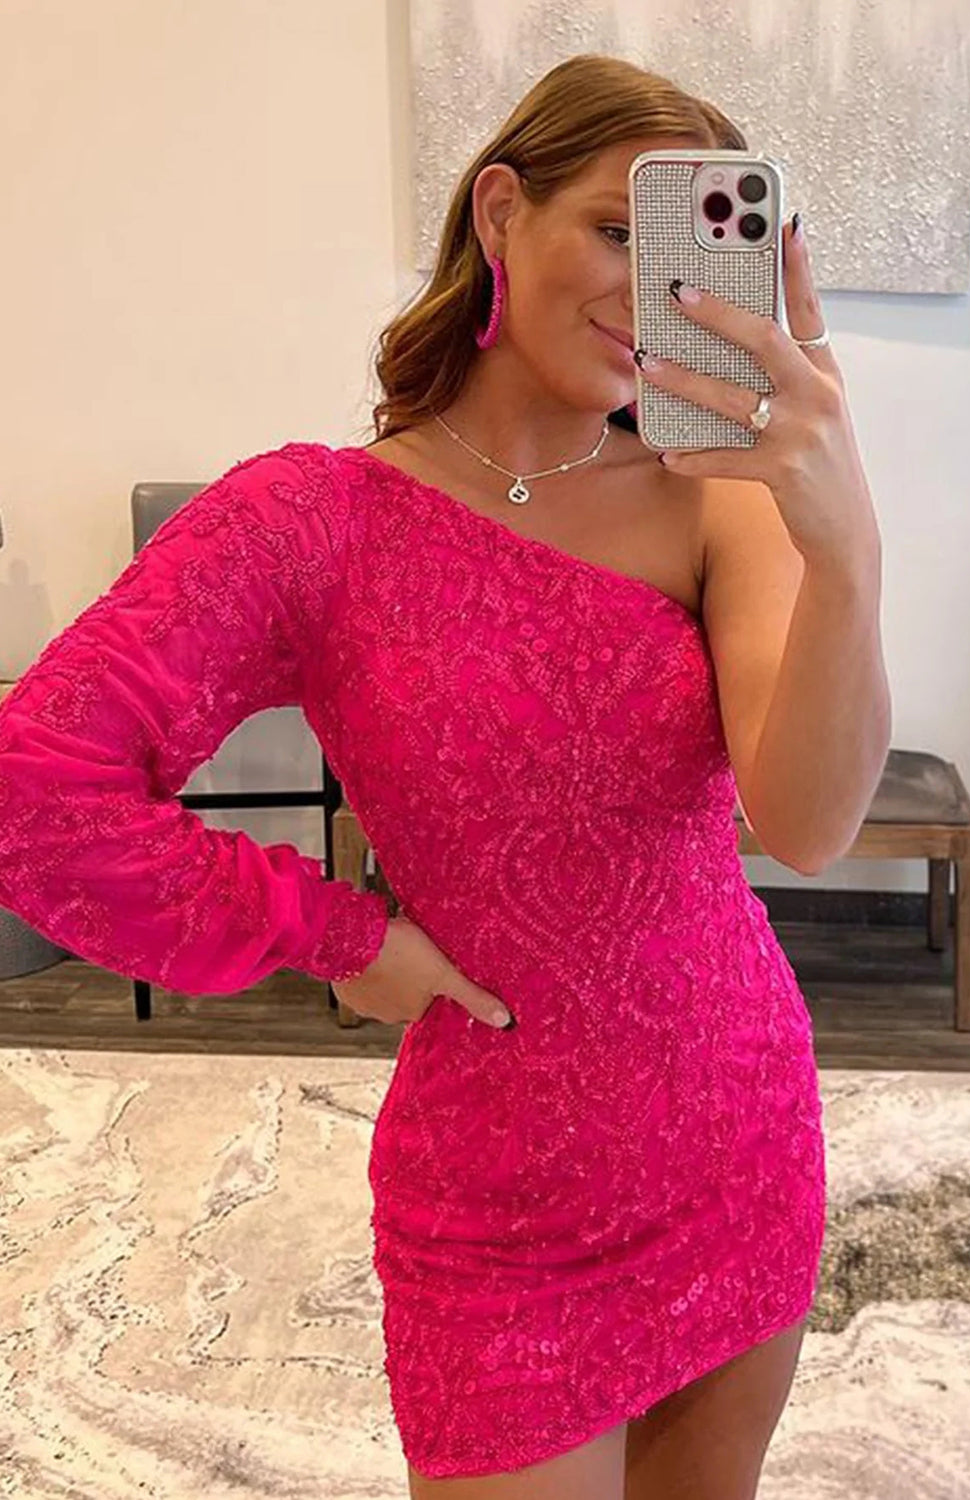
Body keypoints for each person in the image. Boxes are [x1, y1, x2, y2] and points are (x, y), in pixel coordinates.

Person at [0, 51, 890, 1500]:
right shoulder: (312, 522)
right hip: (500, 1197)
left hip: (736, 1129)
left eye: (687, 257)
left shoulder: (719, 499)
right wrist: (333, 934)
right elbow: (36, 793)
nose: (651, 292)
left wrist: (845, 548)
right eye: (618, 231)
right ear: (499, 214)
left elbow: (807, 823)